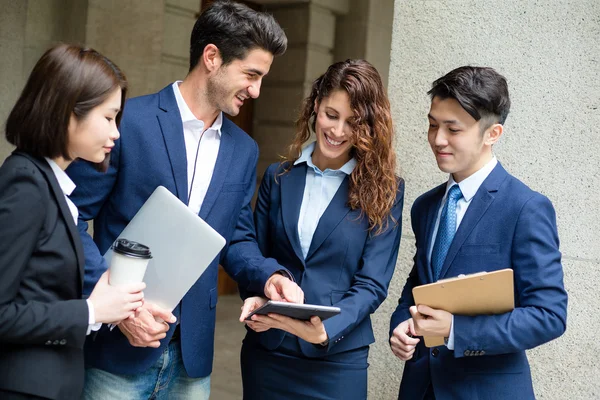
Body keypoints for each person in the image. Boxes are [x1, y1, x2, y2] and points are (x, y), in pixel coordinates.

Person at [66, 1, 303, 399]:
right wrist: (112, 299)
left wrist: (270, 276)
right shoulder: (127, 122)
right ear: (212, 57)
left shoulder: (244, 150)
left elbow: (236, 237)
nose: (257, 90)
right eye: (251, 74)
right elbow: (69, 218)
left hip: (191, 362)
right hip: (115, 353)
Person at [389, 66, 568, 400]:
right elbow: (418, 286)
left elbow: (550, 315)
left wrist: (456, 331)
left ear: (492, 133)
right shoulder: (425, 206)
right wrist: (401, 324)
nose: (437, 139)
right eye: (432, 124)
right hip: (419, 389)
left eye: (452, 129)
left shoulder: (526, 208)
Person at [239, 59, 405, 400]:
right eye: (331, 114)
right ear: (316, 106)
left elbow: (372, 284)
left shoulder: (386, 190)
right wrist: (256, 293)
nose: (338, 131)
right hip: (269, 351)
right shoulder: (277, 176)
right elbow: (255, 255)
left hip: (337, 359)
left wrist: (325, 330)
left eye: (353, 123)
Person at [0, 44, 146, 400]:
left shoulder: (55, 186)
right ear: (68, 112)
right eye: (108, 117)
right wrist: (92, 310)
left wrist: (109, 301)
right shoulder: (26, 184)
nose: (116, 133)